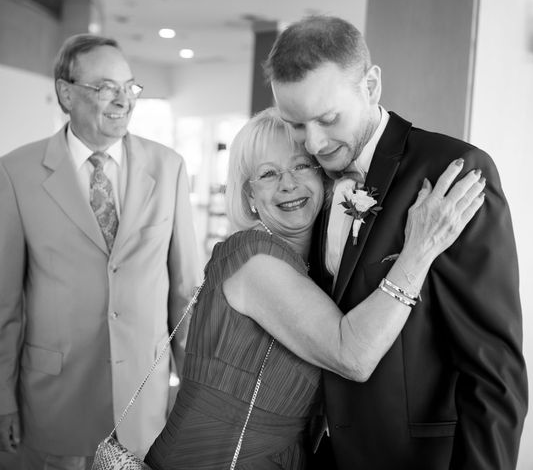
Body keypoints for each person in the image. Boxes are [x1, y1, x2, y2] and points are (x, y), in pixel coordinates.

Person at [144, 107, 485, 469]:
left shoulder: (316, 270)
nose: (288, 183)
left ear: (324, 178)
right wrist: (421, 249)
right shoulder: (252, 255)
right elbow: (352, 356)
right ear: (249, 196)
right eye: (268, 174)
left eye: (301, 166)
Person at [264, 15, 528, 470]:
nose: (314, 143)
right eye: (295, 123)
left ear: (370, 85)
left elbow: (494, 371)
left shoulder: (451, 171)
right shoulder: (307, 179)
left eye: (328, 119)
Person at [0, 34, 201, 469]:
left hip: (144, 389)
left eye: (129, 86)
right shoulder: (16, 173)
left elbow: (185, 290)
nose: (123, 99)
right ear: (66, 92)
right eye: (105, 87)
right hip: (60, 389)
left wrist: (194, 387)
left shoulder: (168, 167)